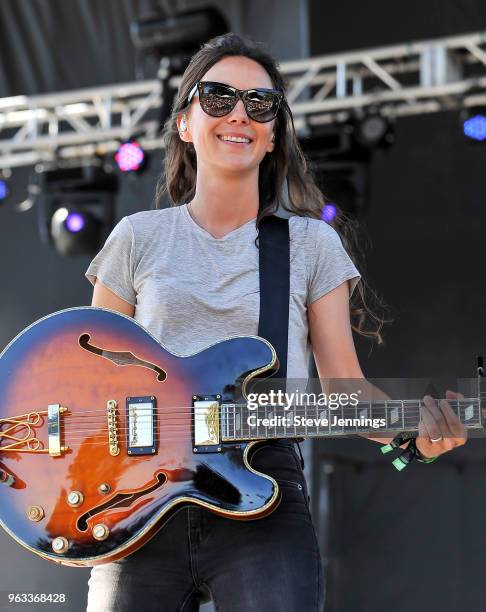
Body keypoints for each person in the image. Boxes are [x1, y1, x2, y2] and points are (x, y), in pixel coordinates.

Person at [84, 32, 467, 612]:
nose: (239, 113)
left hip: (262, 492)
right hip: (138, 498)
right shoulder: (137, 237)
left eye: (259, 104)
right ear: (185, 123)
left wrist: (412, 444)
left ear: (271, 136)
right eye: (217, 98)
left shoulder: (310, 244)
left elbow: (344, 389)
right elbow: (83, 370)